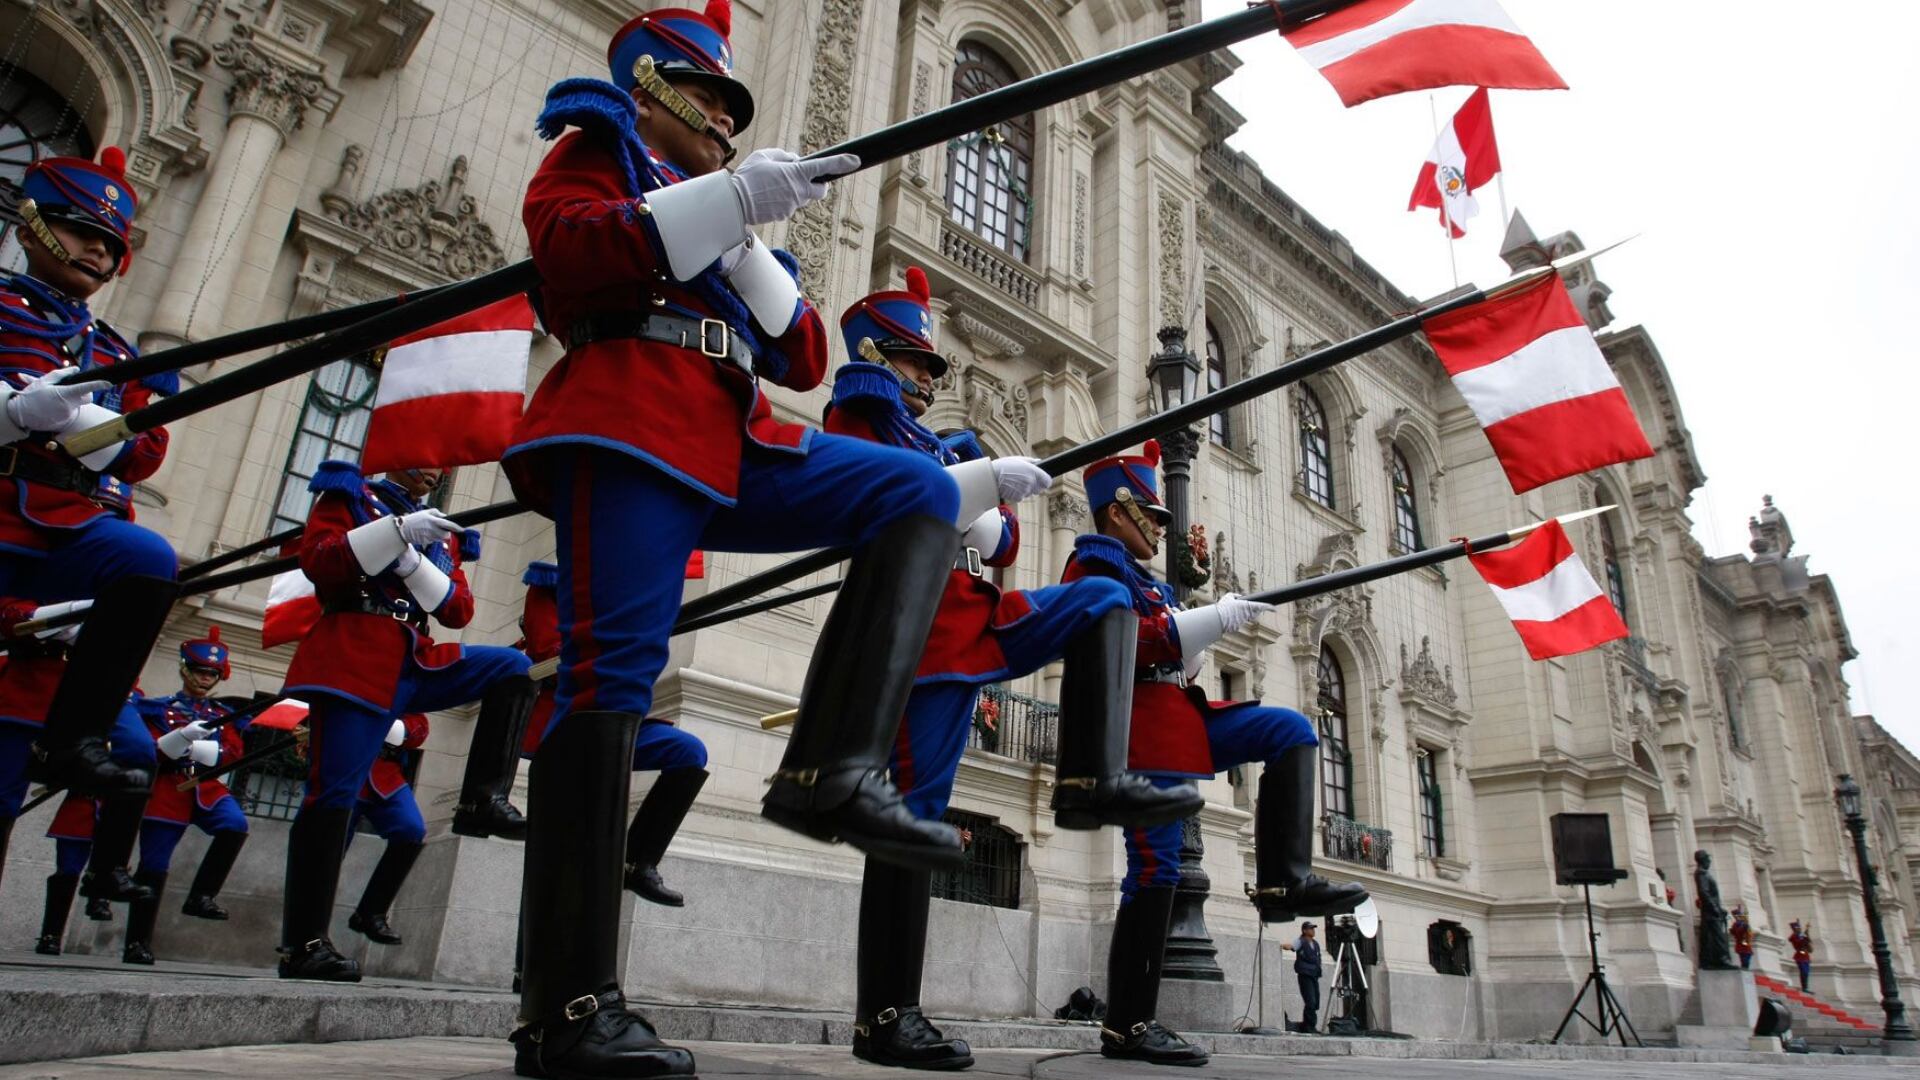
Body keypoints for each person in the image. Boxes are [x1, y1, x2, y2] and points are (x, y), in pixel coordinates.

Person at [503, 4, 1038, 1073]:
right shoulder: (597, 151)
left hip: (730, 426)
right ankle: (563, 1008)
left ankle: (831, 771)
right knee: (614, 679)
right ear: (650, 91)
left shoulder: (717, 209)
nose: (722, 119)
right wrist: (716, 207)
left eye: (730, 107)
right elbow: (567, 250)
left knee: (914, 495)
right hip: (632, 417)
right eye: (705, 99)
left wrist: (746, 240)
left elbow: (797, 356)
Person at [824, 269, 1202, 1069]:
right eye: (913, 360)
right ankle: (887, 1014)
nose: (930, 374)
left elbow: (1001, 550)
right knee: (913, 814)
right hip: (917, 635)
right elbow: (874, 503)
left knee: (1101, 605)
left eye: (932, 363)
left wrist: (979, 488)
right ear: (872, 356)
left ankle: (1091, 774)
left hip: (970, 628)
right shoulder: (860, 418)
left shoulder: (927, 440)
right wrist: (972, 481)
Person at [1065, 441, 1369, 1066]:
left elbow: (1170, 648)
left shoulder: (1141, 581)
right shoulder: (1092, 567)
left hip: (1179, 716)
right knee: (1155, 870)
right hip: (1141, 728)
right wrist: (1206, 624)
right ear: (1118, 510)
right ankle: (1126, 1025)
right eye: (1153, 513)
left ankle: (1285, 882)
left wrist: (1196, 633)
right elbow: (1128, 645)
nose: (1160, 526)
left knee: (1289, 730)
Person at [0, 146, 180, 902]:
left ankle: (75, 736)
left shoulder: (115, 353)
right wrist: (10, 414)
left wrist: (87, 420)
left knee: (145, 556)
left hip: (65, 530)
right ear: (32, 223)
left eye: (109, 243)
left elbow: (144, 451)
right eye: (79, 230)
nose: (96, 250)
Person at [275, 461, 530, 983]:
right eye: (428, 457)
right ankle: (302, 944)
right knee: (333, 798)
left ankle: (481, 798)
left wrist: (413, 559)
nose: (435, 470)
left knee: (513, 667)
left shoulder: (436, 527)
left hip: (414, 656)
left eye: (445, 464)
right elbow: (321, 563)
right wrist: (392, 532)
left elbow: (458, 610)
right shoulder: (351, 497)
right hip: (356, 650)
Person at [517, 562, 708, 909]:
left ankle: (637, 862)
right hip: (567, 722)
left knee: (689, 752)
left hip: (619, 721)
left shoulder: (635, 599)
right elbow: (547, 656)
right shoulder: (552, 584)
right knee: (562, 855)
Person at [121, 628, 251, 964]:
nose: (204, 679)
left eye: (211, 673)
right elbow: (145, 750)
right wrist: (176, 741)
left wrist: (211, 751)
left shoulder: (223, 714)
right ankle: (137, 942)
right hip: (167, 789)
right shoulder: (156, 709)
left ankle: (202, 895)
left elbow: (234, 750)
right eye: (198, 671)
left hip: (205, 786)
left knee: (235, 825)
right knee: (154, 865)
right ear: (184, 670)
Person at [345, 712, 430, 946]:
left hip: (386, 774)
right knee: (330, 847)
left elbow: (419, 726)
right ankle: (307, 933)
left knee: (411, 829)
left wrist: (400, 728)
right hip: (346, 767)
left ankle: (371, 913)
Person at [1293, 922, 1323, 1032]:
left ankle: (1308, 1025)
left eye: (1313, 928)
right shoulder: (1301, 941)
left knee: (1315, 1002)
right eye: (1310, 929)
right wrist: (1284, 946)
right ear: (1304, 930)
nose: (1313, 930)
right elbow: (1293, 946)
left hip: (1314, 974)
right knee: (1310, 1000)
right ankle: (1309, 1026)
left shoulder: (1315, 944)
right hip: (1305, 974)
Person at [1790, 920, 1813, 992]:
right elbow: (1799, 942)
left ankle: (1806, 987)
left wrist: (1807, 931)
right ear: (1794, 929)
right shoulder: (1793, 936)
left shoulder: (1801, 935)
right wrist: (1804, 934)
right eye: (1797, 927)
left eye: (1799, 927)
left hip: (1805, 956)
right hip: (1800, 956)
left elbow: (1808, 940)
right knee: (1803, 972)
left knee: (1806, 972)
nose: (1799, 929)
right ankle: (1804, 987)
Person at [1730, 906, 1754, 971]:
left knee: (1746, 957)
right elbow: (1737, 933)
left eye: (1739, 915)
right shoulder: (1736, 924)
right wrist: (1743, 927)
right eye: (1736, 916)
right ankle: (1744, 968)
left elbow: (1749, 933)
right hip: (1741, 944)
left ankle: (1745, 968)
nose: (1737, 917)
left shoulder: (1742, 923)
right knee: (1744, 958)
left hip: (1745, 943)